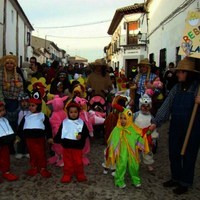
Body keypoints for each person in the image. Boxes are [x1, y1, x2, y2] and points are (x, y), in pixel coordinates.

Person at [149, 57, 200, 195]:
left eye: (180, 72)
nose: (177, 74)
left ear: (188, 73)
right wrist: (156, 122)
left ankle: (185, 182)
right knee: (174, 153)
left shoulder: (197, 89)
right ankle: (176, 177)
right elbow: (166, 106)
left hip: (193, 128)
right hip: (176, 126)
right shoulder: (176, 88)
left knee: (189, 155)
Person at [105, 104, 145, 188]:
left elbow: (138, 136)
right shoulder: (117, 129)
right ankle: (119, 181)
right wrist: (113, 150)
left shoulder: (133, 128)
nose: (123, 120)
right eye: (121, 118)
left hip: (132, 151)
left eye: (125, 118)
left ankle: (136, 180)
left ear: (129, 118)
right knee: (121, 165)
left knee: (134, 165)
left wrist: (142, 142)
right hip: (121, 151)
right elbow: (113, 140)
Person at [17, 89, 53, 178]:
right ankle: (34, 167)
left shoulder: (42, 116)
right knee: (32, 154)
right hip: (29, 139)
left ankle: (43, 168)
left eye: (33, 106)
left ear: (38, 106)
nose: (30, 107)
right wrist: (18, 136)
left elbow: (48, 127)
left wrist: (49, 137)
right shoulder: (26, 117)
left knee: (41, 153)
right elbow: (21, 128)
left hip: (40, 139)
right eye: (30, 106)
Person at [54, 102, 89, 183]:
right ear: (68, 112)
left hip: (77, 147)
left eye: (75, 112)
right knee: (67, 161)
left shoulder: (81, 122)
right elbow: (60, 133)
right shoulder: (64, 122)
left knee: (78, 161)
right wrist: (55, 139)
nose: (73, 114)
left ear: (78, 112)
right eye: (71, 112)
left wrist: (81, 135)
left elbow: (86, 133)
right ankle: (67, 174)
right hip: (66, 147)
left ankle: (80, 173)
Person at [0, 55, 24, 154]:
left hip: (16, 102)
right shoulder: (0, 75)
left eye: (11, 63)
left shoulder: (18, 75)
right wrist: (2, 102)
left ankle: (15, 146)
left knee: (15, 125)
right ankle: (7, 147)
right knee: (6, 125)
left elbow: (21, 89)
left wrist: (20, 101)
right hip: (4, 102)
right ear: (4, 64)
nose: (9, 65)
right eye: (7, 63)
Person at [133, 94, 159, 172]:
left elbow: (154, 129)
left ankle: (149, 164)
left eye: (147, 106)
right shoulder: (136, 115)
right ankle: (136, 163)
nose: (145, 108)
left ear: (150, 107)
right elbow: (130, 123)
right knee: (136, 152)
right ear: (140, 106)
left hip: (147, 138)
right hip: (137, 137)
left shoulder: (151, 117)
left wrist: (154, 138)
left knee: (147, 152)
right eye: (143, 106)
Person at [0, 101, 18, 181]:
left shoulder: (5, 120)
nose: (2, 112)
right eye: (0, 111)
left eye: (3, 110)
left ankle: (6, 171)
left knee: (5, 157)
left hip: (5, 142)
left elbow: (9, 129)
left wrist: (13, 138)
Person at [15, 92, 31, 159]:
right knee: (20, 141)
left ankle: (27, 152)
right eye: (22, 102)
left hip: (28, 128)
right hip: (20, 129)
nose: (24, 103)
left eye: (25, 101)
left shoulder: (30, 111)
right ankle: (20, 152)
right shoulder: (19, 111)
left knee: (28, 141)